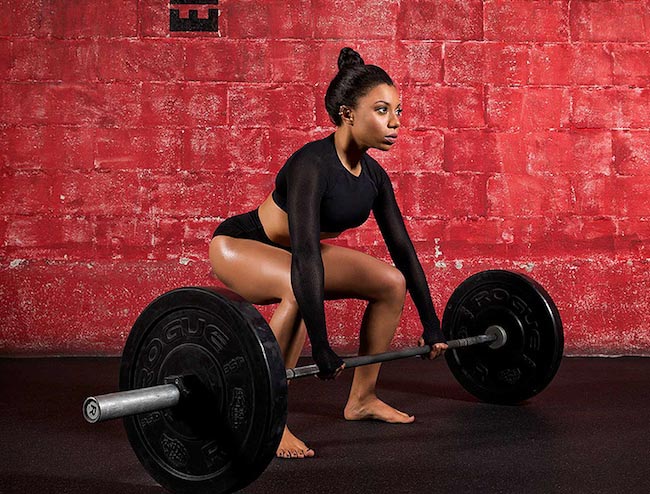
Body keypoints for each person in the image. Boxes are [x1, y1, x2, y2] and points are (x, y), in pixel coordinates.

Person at [209, 47, 448, 459]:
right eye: (381, 110)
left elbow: (403, 251)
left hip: (295, 252)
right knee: (299, 288)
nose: (395, 123)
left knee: (392, 282)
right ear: (347, 113)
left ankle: (362, 399)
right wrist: (320, 345)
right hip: (241, 245)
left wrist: (432, 323)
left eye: (398, 110)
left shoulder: (374, 177)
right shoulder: (311, 165)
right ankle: (269, 419)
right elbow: (305, 257)